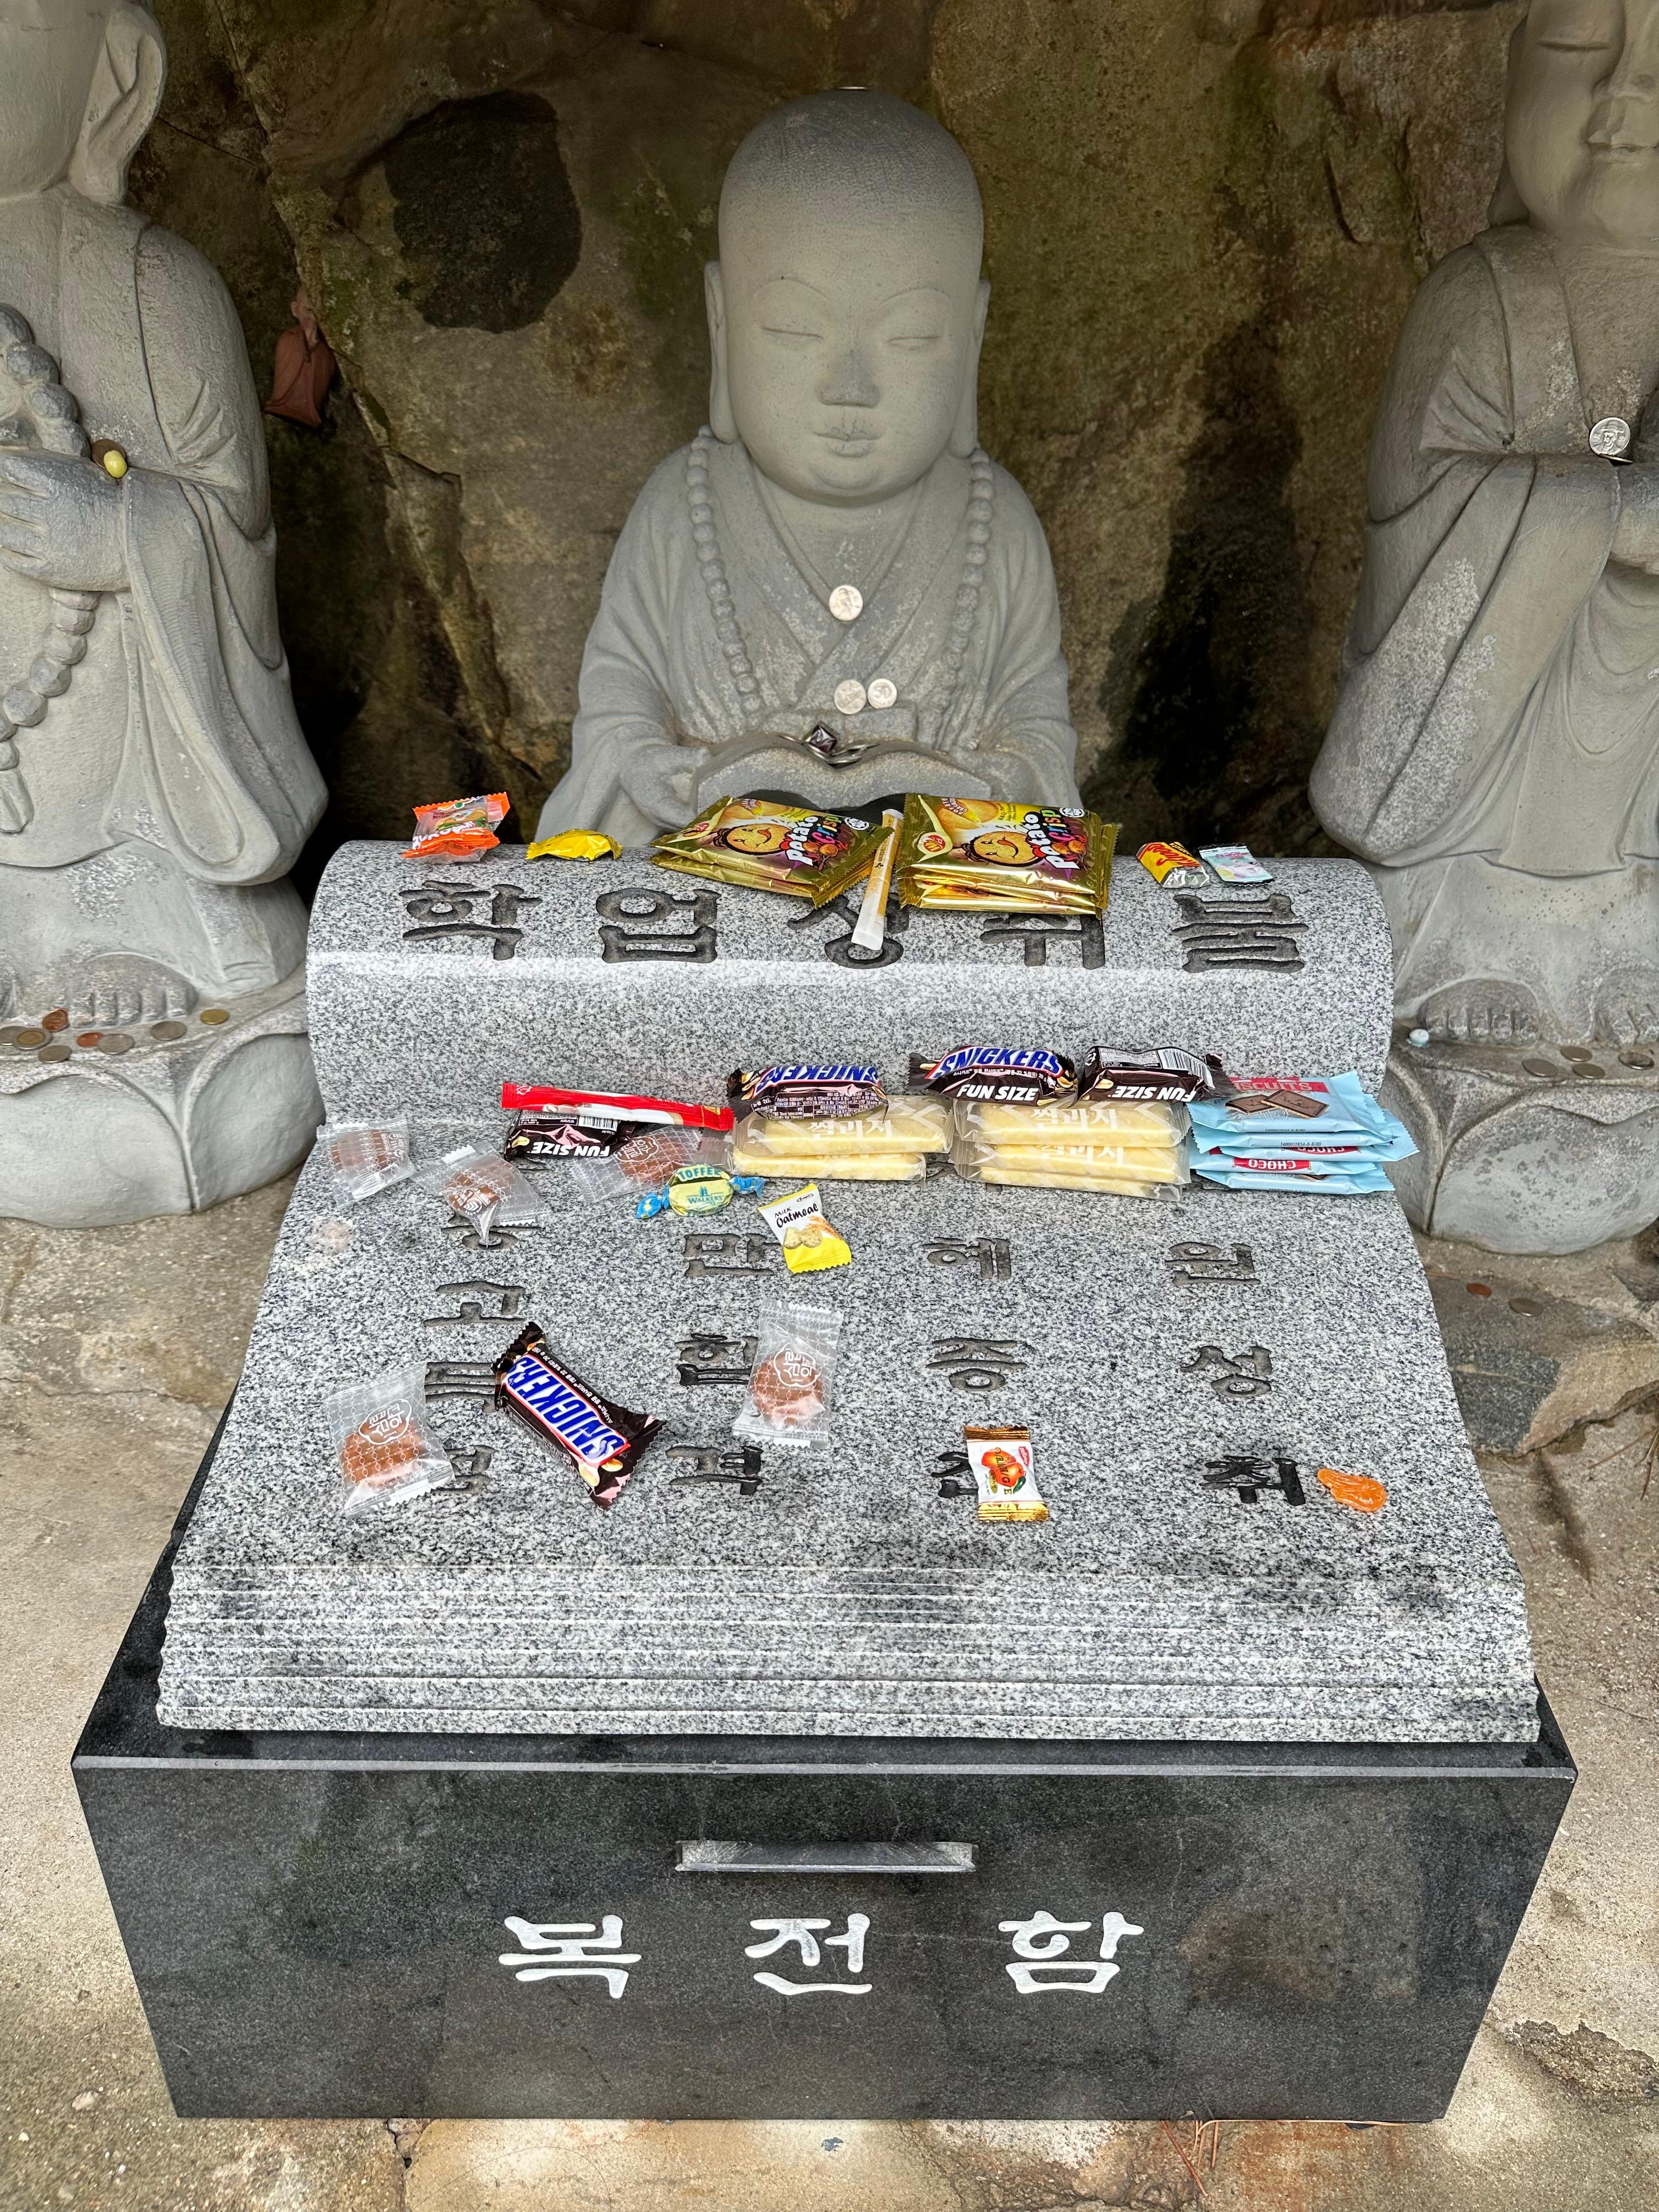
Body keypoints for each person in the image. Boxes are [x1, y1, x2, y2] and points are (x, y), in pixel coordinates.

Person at [537, 88, 1080, 845]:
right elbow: (617, 709)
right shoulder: (679, 509)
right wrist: (675, 776)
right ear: (722, 321)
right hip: (711, 880)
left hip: (930, 876)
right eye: (795, 330)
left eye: (911, 337)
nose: (849, 387)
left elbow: (1038, 731)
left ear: (973, 336)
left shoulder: (998, 523)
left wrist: (984, 785)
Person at [1311, 0, 1659, 1045]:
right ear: (1514, 76)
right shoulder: (1480, 298)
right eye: (1579, 47)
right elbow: (1430, 514)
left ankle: (1626, 938)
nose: (1627, 92)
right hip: (1467, 819)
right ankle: (1470, 950)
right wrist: (1608, 513)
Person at [0, 0, 324, 1029]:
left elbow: (237, 531)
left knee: (228, 1016)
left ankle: (108, 914)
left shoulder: (156, 287)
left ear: (113, 73)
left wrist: (121, 535)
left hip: (124, 798)